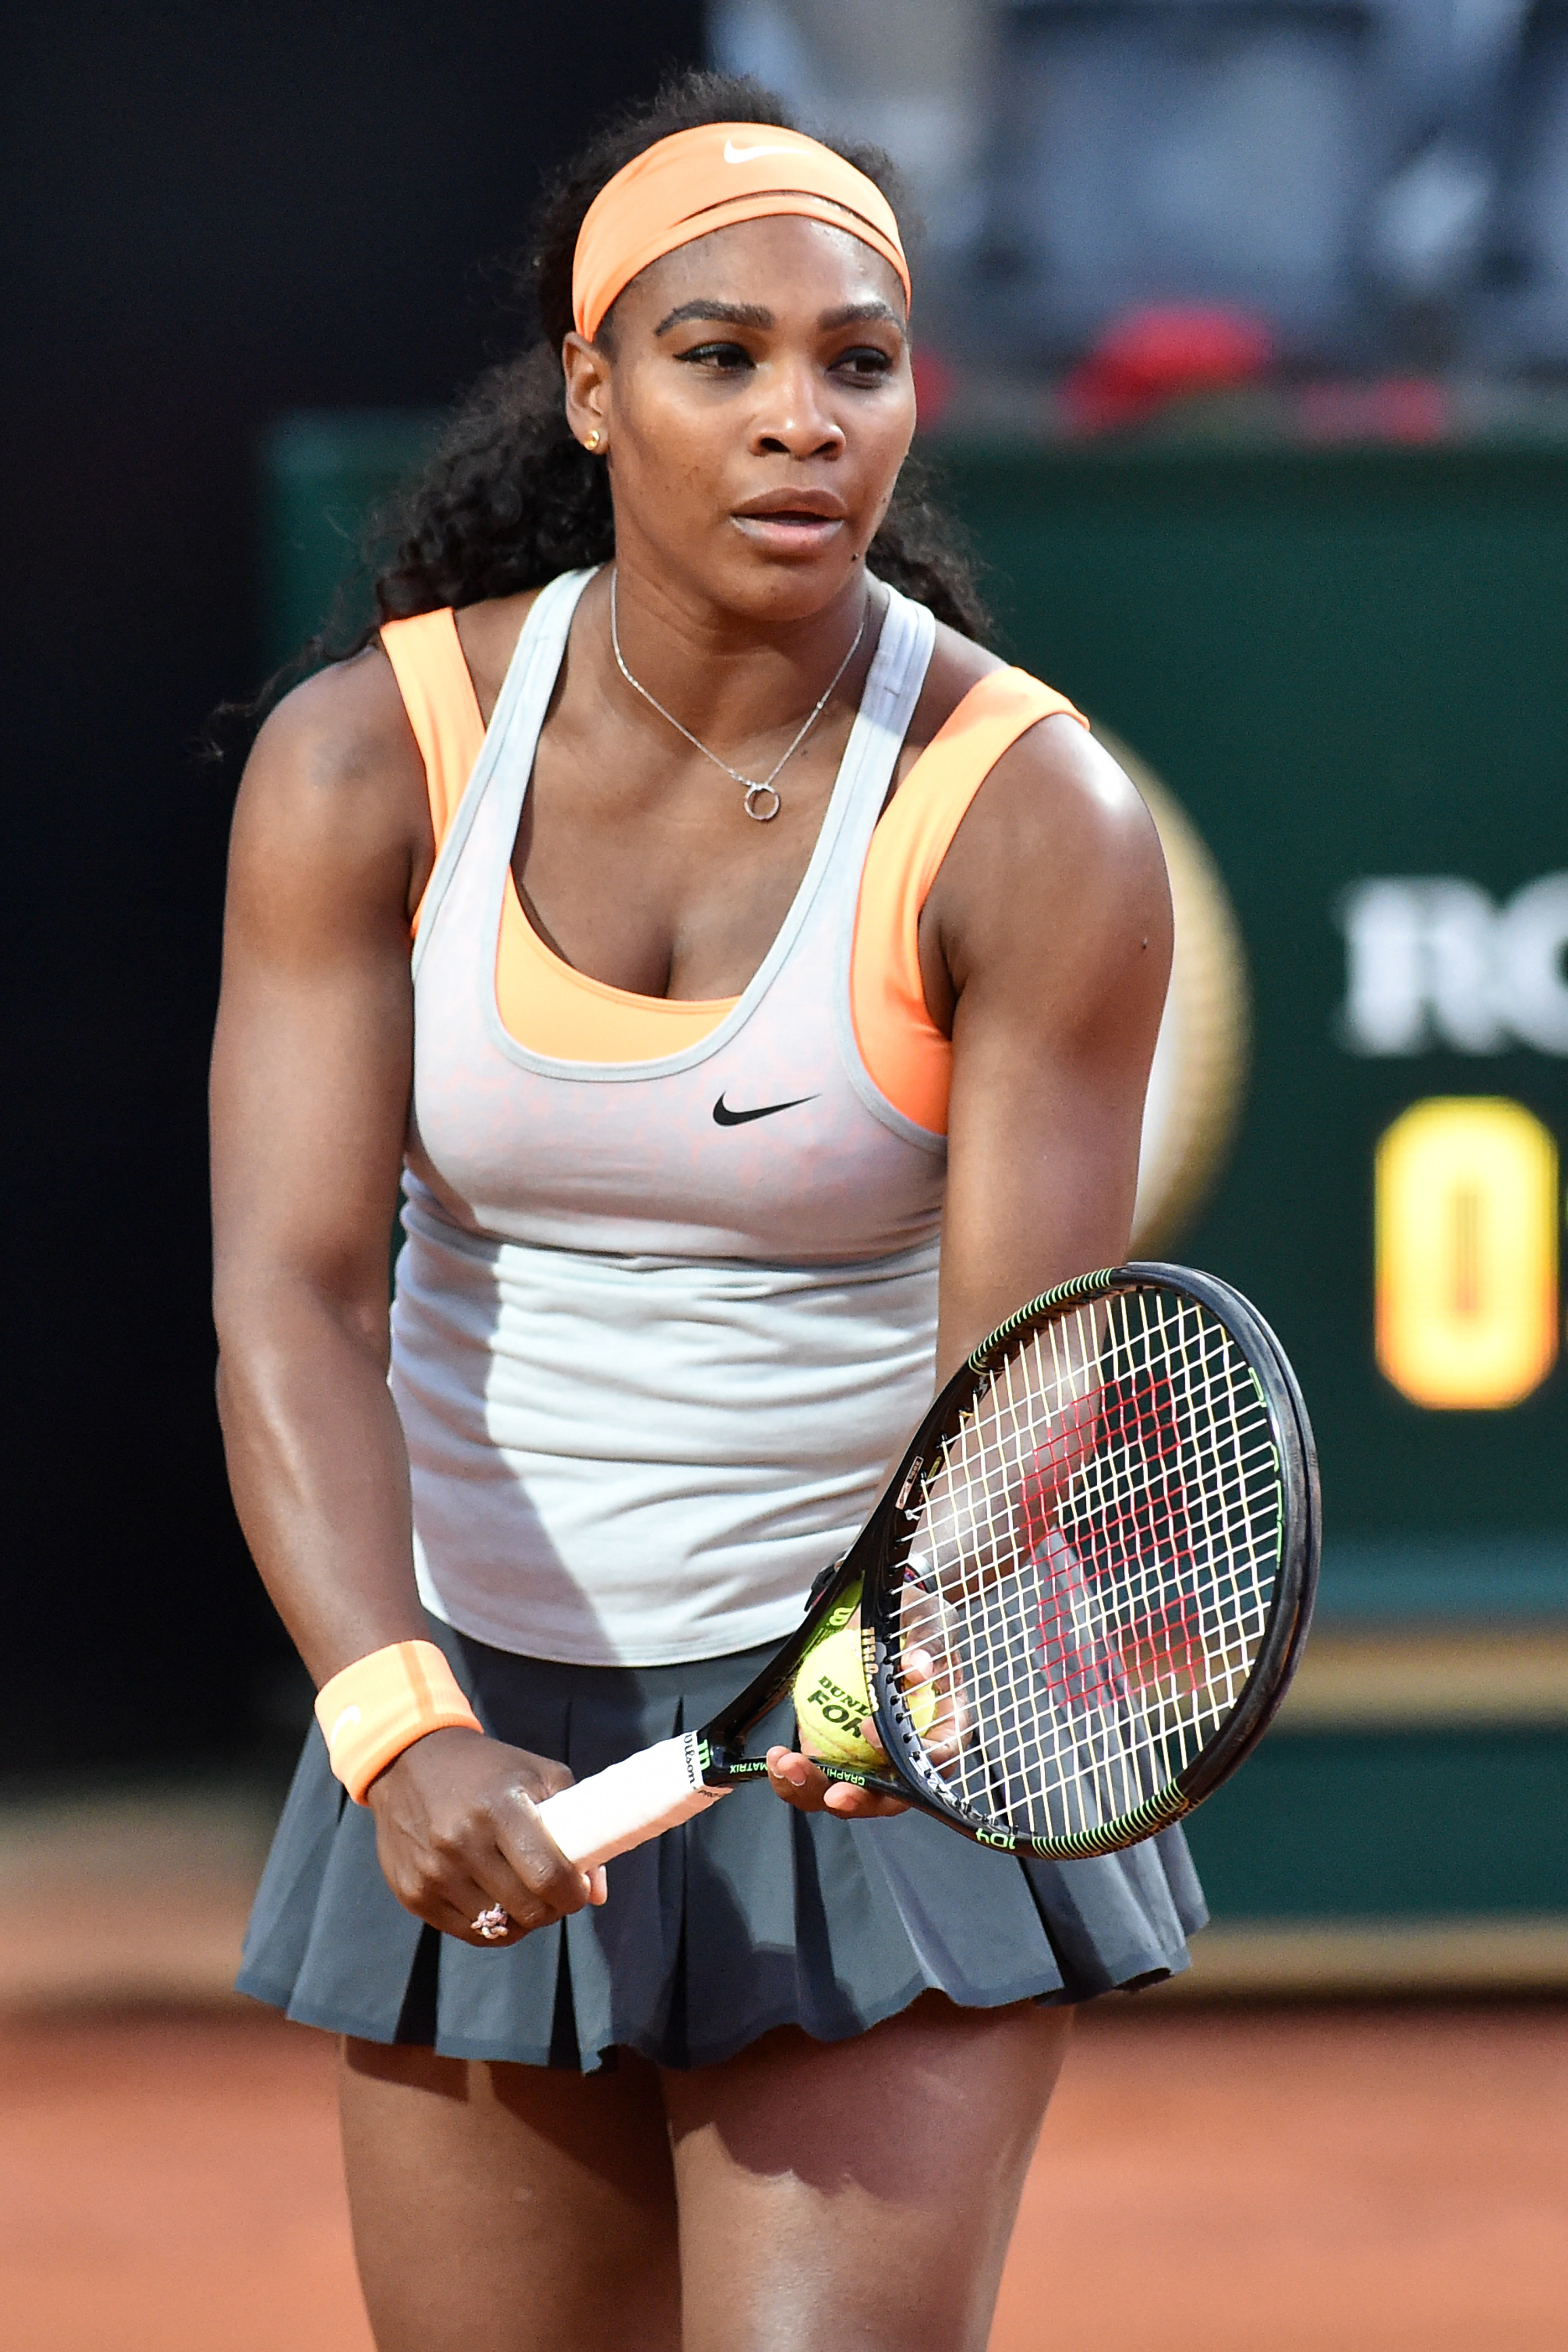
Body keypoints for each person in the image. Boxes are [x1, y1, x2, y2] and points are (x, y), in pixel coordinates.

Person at [212, 69, 1204, 2352]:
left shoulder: (1032, 818)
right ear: (588, 390)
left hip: (884, 1724)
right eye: (719, 355)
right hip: (466, 1702)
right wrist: (399, 1717)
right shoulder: (365, 763)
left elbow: (1012, 1396)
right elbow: (288, 1289)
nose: (799, 418)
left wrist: (895, 1684)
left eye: (857, 361)